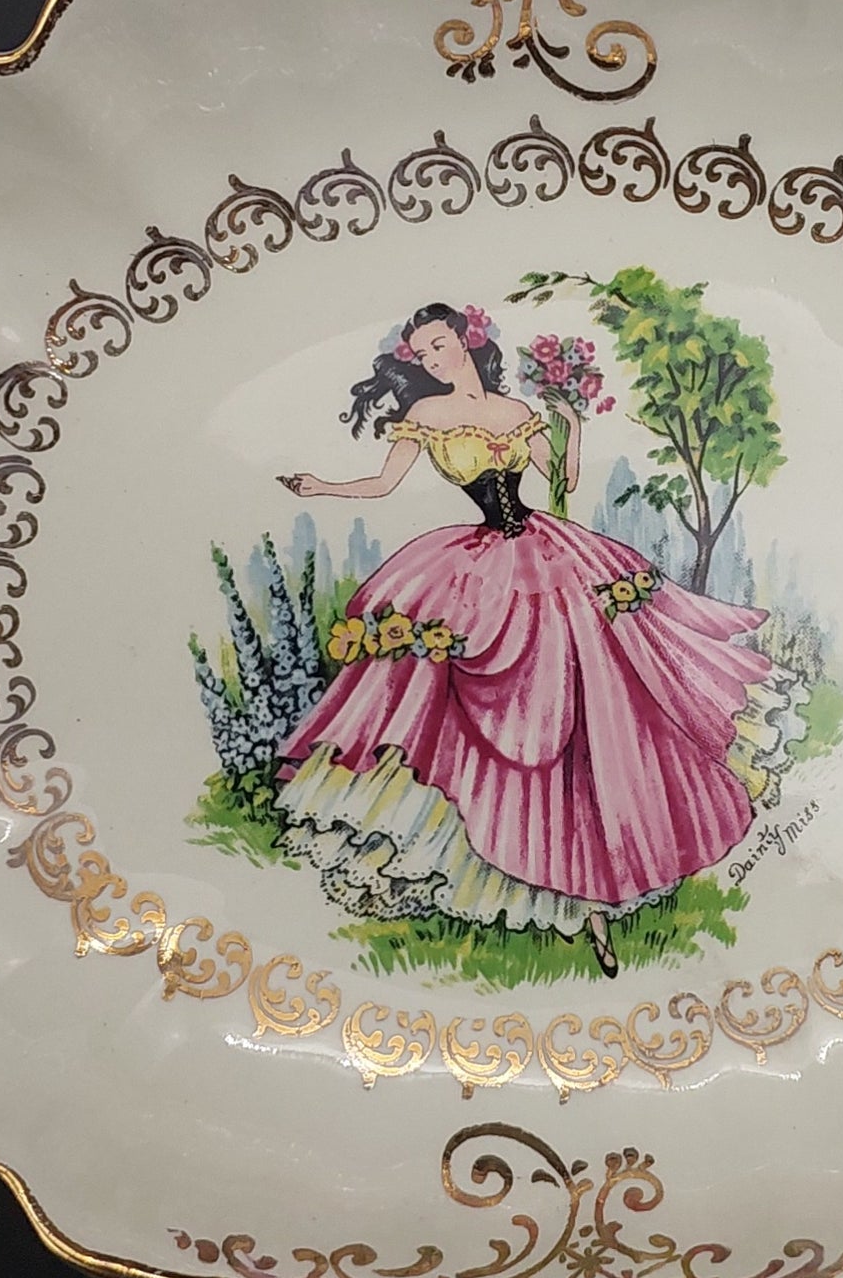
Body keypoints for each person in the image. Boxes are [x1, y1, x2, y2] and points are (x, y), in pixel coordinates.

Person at [276, 300, 796, 975]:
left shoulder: (517, 410)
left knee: (595, 705)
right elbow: (382, 484)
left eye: (438, 345)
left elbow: (561, 482)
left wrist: (571, 426)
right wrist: (319, 485)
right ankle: (535, 877)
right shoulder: (426, 414)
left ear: (466, 339)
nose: (432, 359)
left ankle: (606, 877)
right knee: (499, 707)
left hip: (553, 558)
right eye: (421, 354)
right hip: (480, 571)